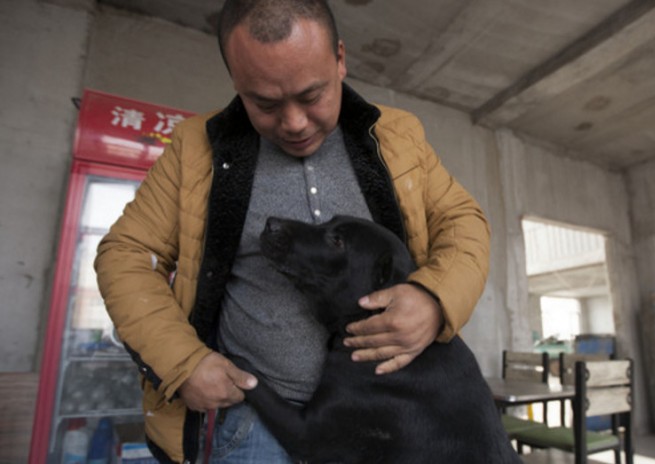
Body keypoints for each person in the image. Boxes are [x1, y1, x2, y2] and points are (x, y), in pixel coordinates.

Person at [95, 0, 490, 462]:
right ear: (237, 83)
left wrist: (434, 298)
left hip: (384, 431)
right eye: (264, 103)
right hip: (253, 428)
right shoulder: (194, 148)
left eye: (311, 96)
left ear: (340, 59)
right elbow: (125, 254)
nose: (294, 123)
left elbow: (462, 222)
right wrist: (183, 363)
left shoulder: (398, 136)